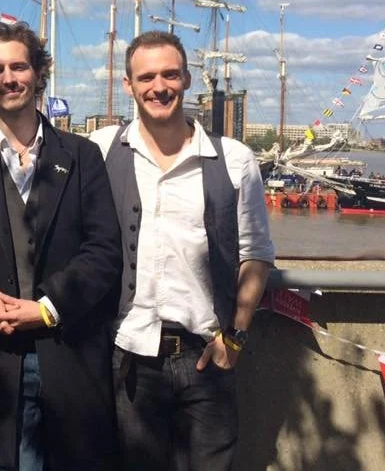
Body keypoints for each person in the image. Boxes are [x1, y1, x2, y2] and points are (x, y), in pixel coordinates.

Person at [0, 21, 122, 470]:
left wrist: (45, 307)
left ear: (40, 73)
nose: (8, 77)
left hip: (68, 353)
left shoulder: (82, 156)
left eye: (19, 66)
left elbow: (104, 250)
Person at [89, 30, 276, 471]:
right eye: (147, 76)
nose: (159, 87)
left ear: (187, 79)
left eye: (170, 74)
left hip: (206, 355)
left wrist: (237, 334)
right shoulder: (100, 150)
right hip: (128, 356)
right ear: (128, 85)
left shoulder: (234, 159)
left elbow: (255, 253)